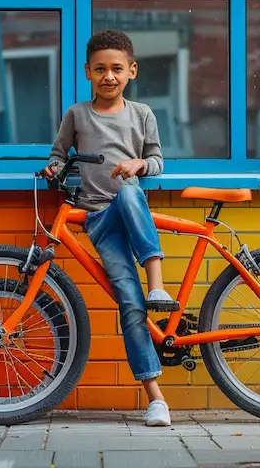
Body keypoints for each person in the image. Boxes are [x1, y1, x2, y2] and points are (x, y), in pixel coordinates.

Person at [41, 29, 176, 428]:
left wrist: (138, 165)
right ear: (87, 72)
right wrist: (53, 167)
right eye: (100, 69)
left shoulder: (142, 114)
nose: (109, 76)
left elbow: (157, 160)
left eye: (117, 69)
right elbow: (57, 153)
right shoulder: (77, 114)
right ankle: (156, 398)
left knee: (132, 192)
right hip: (98, 218)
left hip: (131, 208)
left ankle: (157, 283)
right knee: (129, 304)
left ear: (131, 71)